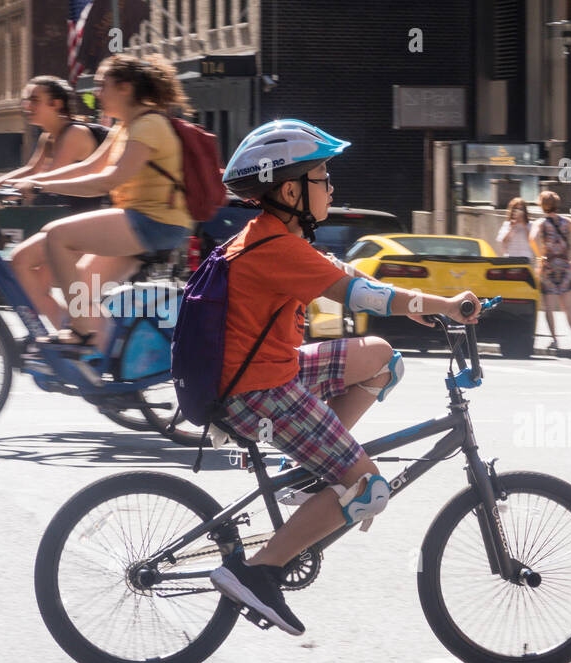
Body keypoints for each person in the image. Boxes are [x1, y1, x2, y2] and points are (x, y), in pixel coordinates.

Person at [205, 120, 481, 636]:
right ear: (291, 190)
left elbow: (352, 277)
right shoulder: (276, 249)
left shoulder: (275, 236)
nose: (331, 186)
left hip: (265, 376)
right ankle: (259, 571)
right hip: (260, 394)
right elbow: (355, 296)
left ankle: (311, 473)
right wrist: (445, 303)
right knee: (370, 489)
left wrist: (416, 307)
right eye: (322, 175)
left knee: (381, 357)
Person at [4, 54, 193, 350]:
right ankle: (107, 368)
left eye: (102, 86)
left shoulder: (149, 126)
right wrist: (24, 183)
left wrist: (40, 184)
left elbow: (108, 180)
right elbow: (90, 167)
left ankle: (82, 333)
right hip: (138, 220)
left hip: (153, 223)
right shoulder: (124, 127)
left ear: (125, 88)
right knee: (81, 286)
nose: (96, 93)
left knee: (57, 236)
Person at [0, 76, 100, 212]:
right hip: (69, 212)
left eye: (34, 101)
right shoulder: (48, 137)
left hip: (93, 214)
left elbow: (52, 176)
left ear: (56, 104)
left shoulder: (76, 133)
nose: (27, 106)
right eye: (26, 101)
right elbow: (32, 170)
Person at [529, 190, 571, 351]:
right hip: (564, 265)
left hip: (548, 266)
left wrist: (540, 257)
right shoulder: (566, 221)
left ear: (542, 205)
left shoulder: (540, 223)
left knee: (549, 307)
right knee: (567, 306)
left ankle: (555, 339)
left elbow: (532, 238)